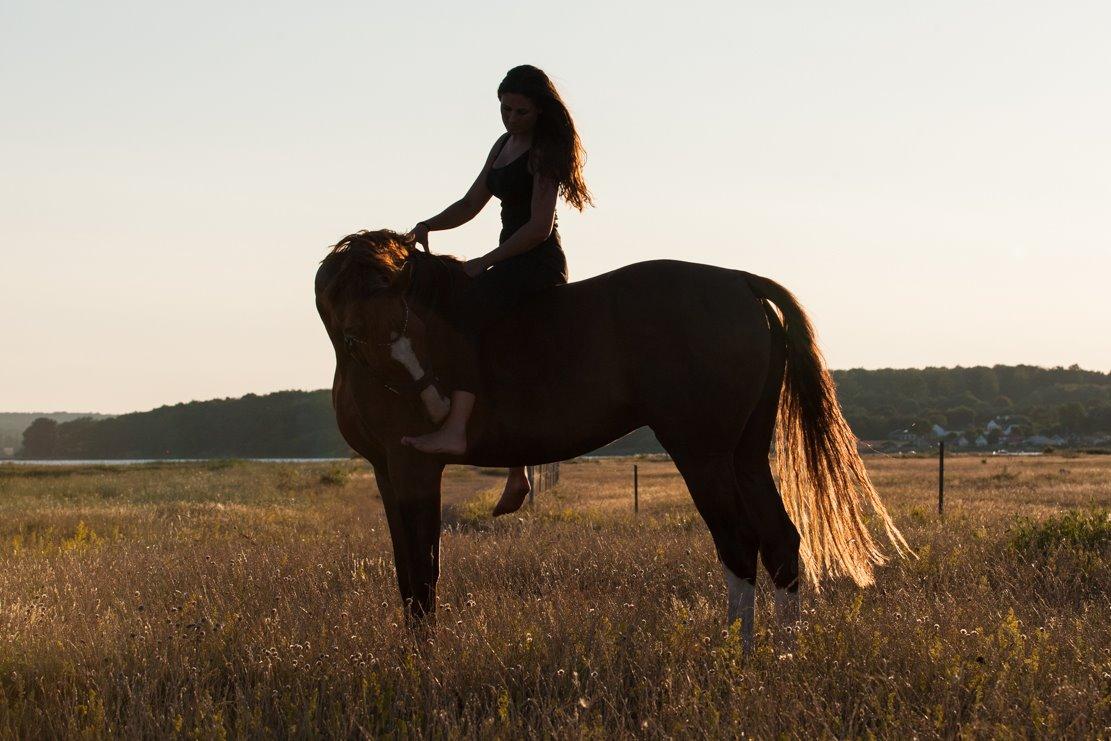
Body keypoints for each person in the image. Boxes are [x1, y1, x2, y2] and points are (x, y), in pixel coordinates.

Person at [401, 64, 594, 515]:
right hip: (508, 259)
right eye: (504, 108)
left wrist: (484, 261)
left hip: (534, 263)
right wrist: (430, 224)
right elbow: (471, 203)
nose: (510, 118)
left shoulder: (545, 151)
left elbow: (539, 228)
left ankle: (455, 430)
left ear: (540, 111)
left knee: (463, 314)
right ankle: (516, 467)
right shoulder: (503, 145)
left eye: (520, 111)